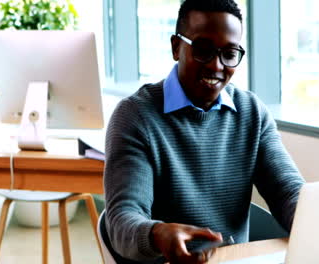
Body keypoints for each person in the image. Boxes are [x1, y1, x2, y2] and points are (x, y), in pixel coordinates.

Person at [104, 0, 305, 263]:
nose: (216, 66)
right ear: (177, 47)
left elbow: (288, 192)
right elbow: (122, 220)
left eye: (229, 53)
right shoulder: (136, 116)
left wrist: (317, 220)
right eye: (203, 50)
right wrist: (157, 233)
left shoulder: (251, 113)